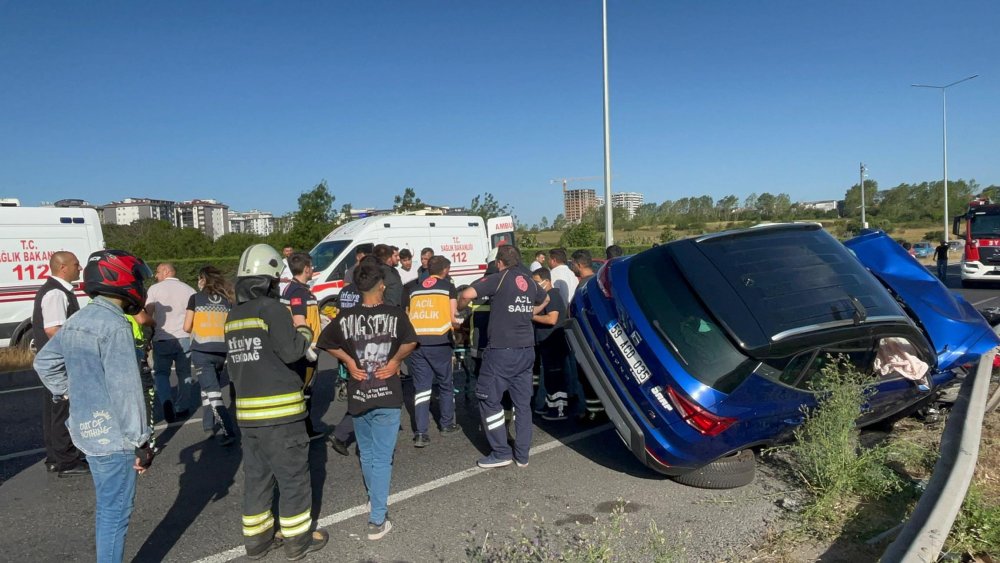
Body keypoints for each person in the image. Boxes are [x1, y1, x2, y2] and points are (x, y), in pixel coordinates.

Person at [34, 250, 156, 563]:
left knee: (106, 508)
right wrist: (142, 442)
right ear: (124, 281)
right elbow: (126, 390)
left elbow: (44, 361)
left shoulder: (78, 320)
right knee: (115, 514)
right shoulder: (115, 326)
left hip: (86, 431)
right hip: (115, 436)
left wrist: (68, 392)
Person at [225, 244, 328, 559]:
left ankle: (257, 542)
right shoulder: (271, 310)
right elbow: (292, 350)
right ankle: (297, 542)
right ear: (269, 280)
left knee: (257, 479)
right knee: (294, 478)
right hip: (281, 415)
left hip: (249, 417)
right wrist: (306, 331)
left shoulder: (233, 316)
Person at [317, 261, 418, 541]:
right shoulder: (395, 314)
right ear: (381, 285)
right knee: (382, 457)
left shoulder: (346, 317)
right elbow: (411, 341)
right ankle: (377, 519)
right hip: (387, 392)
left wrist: (349, 361)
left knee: (369, 453)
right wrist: (396, 360)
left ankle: (374, 499)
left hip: (359, 392)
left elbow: (325, 342)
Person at [458, 246, 548, 468]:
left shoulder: (499, 278)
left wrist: (460, 308)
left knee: (488, 399)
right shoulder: (528, 280)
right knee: (523, 404)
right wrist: (527, 313)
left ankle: (500, 452)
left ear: (499, 262)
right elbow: (545, 298)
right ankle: (523, 455)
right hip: (527, 350)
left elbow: (467, 294)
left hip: (501, 351)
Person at [31, 251, 89, 477]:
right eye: (76, 264)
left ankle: (56, 457)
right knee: (63, 409)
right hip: (59, 363)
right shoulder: (56, 292)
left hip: (53, 362)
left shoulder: (56, 290)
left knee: (54, 409)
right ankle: (67, 460)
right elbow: (54, 329)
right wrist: (78, 350)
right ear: (63, 267)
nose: (80, 267)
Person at [406, 255, 462, 447]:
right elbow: (453, 317)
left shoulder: (414, 289)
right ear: (445, 270)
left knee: (422, 389)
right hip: (440, 341)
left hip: (418, 342)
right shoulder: (448, 287)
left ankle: (421, 432)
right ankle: (447, 424)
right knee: (445, 384)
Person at [183, 266, 237, 446]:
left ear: (202, 279)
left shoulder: (195, 298)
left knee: (213, 393)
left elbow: (186, 326)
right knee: (207, 388)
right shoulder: (227, 298)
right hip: (222, 351)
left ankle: (228, 431)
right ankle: (208, 426)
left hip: (201, 351)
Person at [280, 252, 325, 438]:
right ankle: (304, 430)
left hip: (302, 347)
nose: (312, 269)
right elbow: (299, 321)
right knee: (305, 391)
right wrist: (307, 348)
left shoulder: (293, 289)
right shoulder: (298, 292)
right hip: (306, 350)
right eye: (311, 266)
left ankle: (302, 428)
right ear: (306, 268)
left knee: (302, 390)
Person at [146, 262, 197, 422]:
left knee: (161, 373)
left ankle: (166, 400)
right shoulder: (189, 290)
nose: (156, 276)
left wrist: (148, 335)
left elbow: (148, 314)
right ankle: (182, 407)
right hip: (184, 336)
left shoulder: (155, 289)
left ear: (166, 271)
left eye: (158, 272)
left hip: (162, 337)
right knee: (185, 373)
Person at [530, 268, 570, 421]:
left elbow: (552, 319)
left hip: (553, 342)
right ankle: (550, 405)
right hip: (546, 342)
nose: (535, 285)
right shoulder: (546, 296)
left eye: (537, 282)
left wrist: (532, 316)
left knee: (555, 376)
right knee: (549, 377)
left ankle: (559, 409)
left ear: (546, 281)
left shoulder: (552, 296)